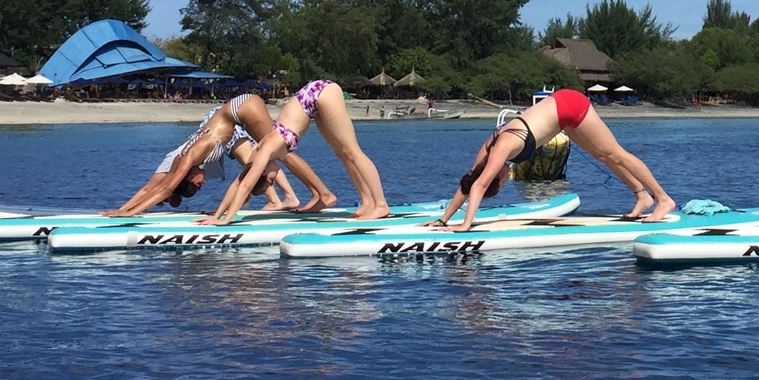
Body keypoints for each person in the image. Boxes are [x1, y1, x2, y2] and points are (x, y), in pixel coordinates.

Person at [438, 87, 675, 231]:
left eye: (501, 182)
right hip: (562, 117)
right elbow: (470, 182)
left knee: (615, 153)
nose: (506, 178)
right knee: (601, 155)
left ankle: (662, 199)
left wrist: (466, 224)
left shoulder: (502, 147)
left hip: (569, 105)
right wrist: (443, 220)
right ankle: (641, 196)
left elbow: (479, 185)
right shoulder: (486, 152)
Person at [198, 80, 391, 225]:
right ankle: (367, 202)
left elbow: (246, 185)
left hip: (318, 93)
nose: (276, 178)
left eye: (270, 180)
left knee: (352, 151)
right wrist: (217, 216)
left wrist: (225, 220)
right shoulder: (256, 157)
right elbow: (238, 184)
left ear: (263, 172)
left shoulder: (263, 153)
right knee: (342, 153)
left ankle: (381, 205)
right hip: (312, 104)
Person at [102, 93, 325, 217]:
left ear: (189, 176)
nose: (204, 181)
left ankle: (322, 194)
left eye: (198, 185)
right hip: (240, 111)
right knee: (267, 156)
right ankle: (302, 196)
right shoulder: (181, 162)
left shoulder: (190, 156)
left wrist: (130, 214)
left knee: (282, 153)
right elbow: (155, 187)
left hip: (243, 108)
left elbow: (168, 189)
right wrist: (125, 208)